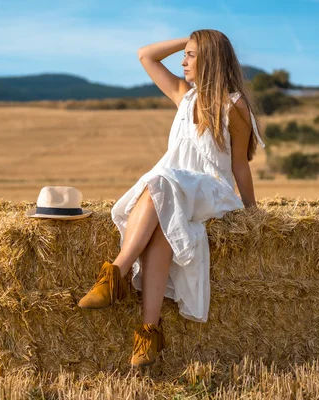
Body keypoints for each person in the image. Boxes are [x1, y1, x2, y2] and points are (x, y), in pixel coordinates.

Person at [77, 29, 266, 368]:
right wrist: (190, 39)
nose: (183, 61)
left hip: (211, 191)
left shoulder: (233, 105)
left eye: (191, 55)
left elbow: (239, 164)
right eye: (185, 53)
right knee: (164, 222)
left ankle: (116, 274)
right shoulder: (184, 95)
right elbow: (145, 55)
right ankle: (148, 334)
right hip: (172, 187)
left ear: (209, 59)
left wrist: (253, 213)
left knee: (161, 182)